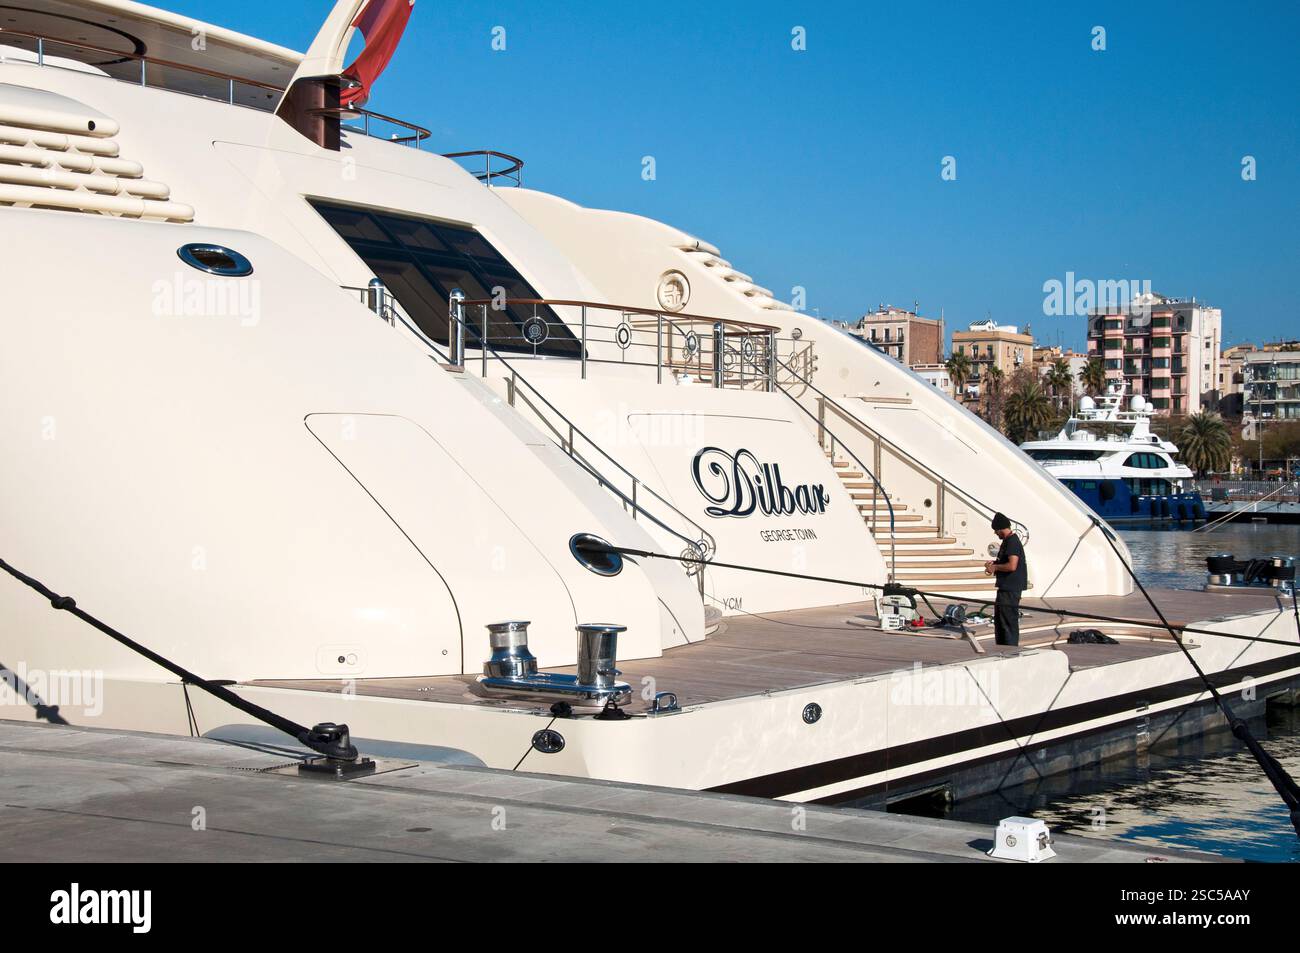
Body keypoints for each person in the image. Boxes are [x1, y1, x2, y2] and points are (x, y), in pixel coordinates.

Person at [984, 512, 1027, 646]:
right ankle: (1002, 648)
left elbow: (1012, 565)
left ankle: (1010, 650)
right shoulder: (1008, 541)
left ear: (1001, 528)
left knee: (1008, 622)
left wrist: (995, 568)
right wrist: (994, 564)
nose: (996, 534)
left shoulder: (1012, 542)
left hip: (1010, 589)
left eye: (996, 531)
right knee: (1001, 621)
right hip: (1006, 587)